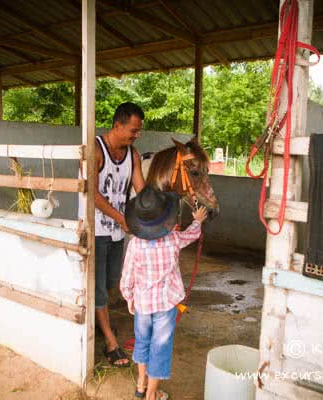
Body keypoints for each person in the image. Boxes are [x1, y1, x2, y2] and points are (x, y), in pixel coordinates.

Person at [121, 185, 208, 400]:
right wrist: (197, 220)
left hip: (142, 304)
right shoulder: (173, 239)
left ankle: (141, 385)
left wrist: (129, 297)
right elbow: (192, 235)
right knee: (160, 347)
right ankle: (152, 393)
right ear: (165, 219)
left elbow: (127, 277)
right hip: (166, 304)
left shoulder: (134, 245)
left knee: (142, 342)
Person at [92, 102, 145, 367]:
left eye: (138, 132)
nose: (136, 136)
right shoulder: (95, 149)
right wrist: (120, 217)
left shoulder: (133, 155)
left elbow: (142, 191)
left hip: (116, 232)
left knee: (113, 279)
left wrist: (163, 216)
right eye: (133, 130)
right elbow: (92, 193)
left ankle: (95, 315)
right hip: (95, 229)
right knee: (99, 286)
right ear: (117, 125)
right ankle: (110, 341)